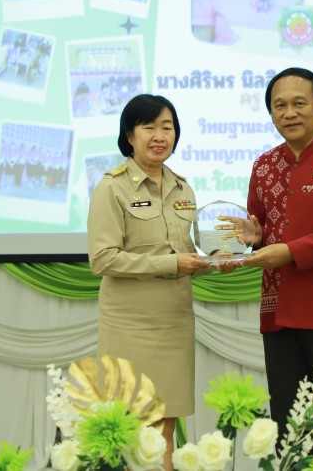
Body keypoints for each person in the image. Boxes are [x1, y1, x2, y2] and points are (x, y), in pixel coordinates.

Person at [220, 67, 313, 450]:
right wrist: (254, 238)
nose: (289, 113)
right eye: (279, 105)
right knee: (288, 434)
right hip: (279, 314)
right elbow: (260, 230)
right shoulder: (263, 165)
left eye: (299, 103)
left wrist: (290, 251)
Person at [87, 94, 211, 470]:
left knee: (165, 426)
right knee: (130, 426)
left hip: (174, 321)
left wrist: (223, 256)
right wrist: (173, 263)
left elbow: (188, 251)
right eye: (149, 127)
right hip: (129, 325)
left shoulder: (183, 188)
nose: (160, 136)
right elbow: (103, 259)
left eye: (167, 127)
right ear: (129, 135)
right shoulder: (112, 187)